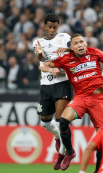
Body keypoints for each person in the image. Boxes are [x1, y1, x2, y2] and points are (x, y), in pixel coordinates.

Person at [40, 34, 103, 171]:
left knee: (101, 136)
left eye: (82, 42)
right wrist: (51, 69)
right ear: (71, 47)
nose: (80, 45)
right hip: (80, 97)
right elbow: (43, 65)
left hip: (98, 99)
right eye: (76, 43)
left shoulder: (94, 52)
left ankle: (97, 170)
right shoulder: (66, 58)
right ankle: (70, 152)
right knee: (63, 121)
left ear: (86, 43)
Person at [33, 13, 72, 170]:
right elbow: (41, 60)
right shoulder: (38, 42)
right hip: (45, 84)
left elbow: (78, 49)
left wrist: (68, 48)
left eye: (55, 26)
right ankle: (57, 137)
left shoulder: (64, 37)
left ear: (58, 26)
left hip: (62, 83)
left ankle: (62, 154)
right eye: (49, 26)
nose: (52, 29)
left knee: (61, 121)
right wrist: (41, 55)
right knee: (45, 122)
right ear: (44, 26)